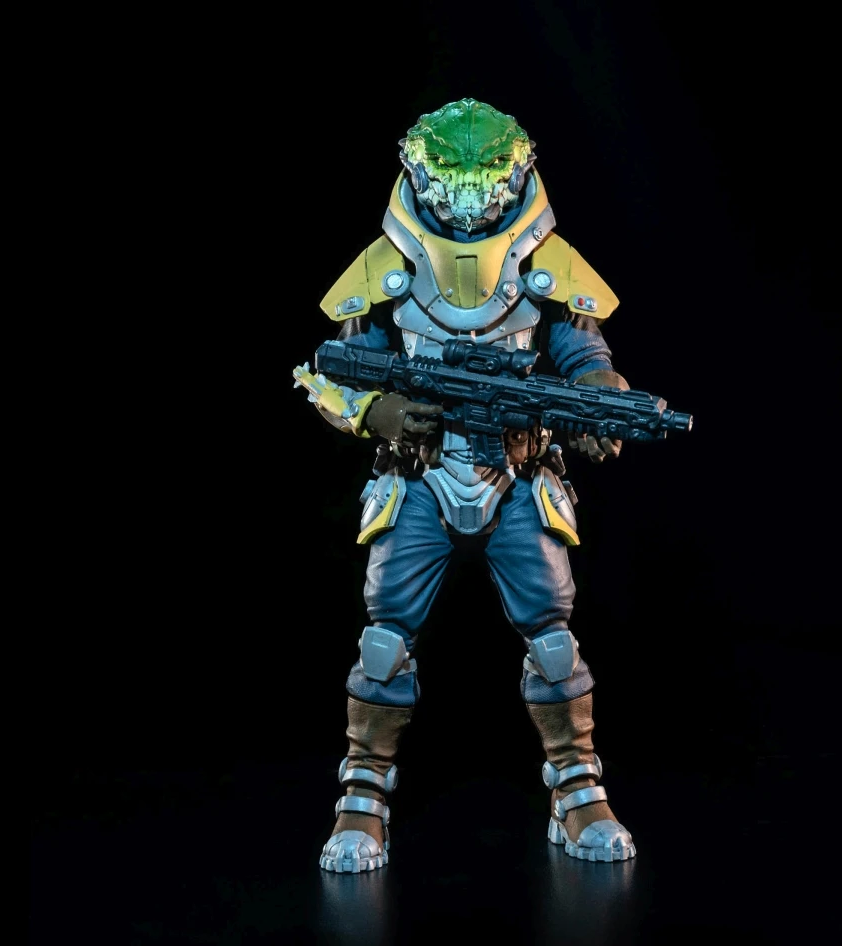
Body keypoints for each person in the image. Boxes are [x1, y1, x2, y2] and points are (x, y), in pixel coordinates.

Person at [294, 98, 637, 871]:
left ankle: (578, 792)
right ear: (422, 175)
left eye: (488, 183)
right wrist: (376, 412)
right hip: (420, 470)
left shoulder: (544, 261)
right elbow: (333, 372)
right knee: (384, 641)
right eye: (455, 182)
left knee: (553, 640)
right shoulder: (390, 263)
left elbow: (584, 352)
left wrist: (600, 401)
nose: (472, 202)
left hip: (516, 470)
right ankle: (362, 798)